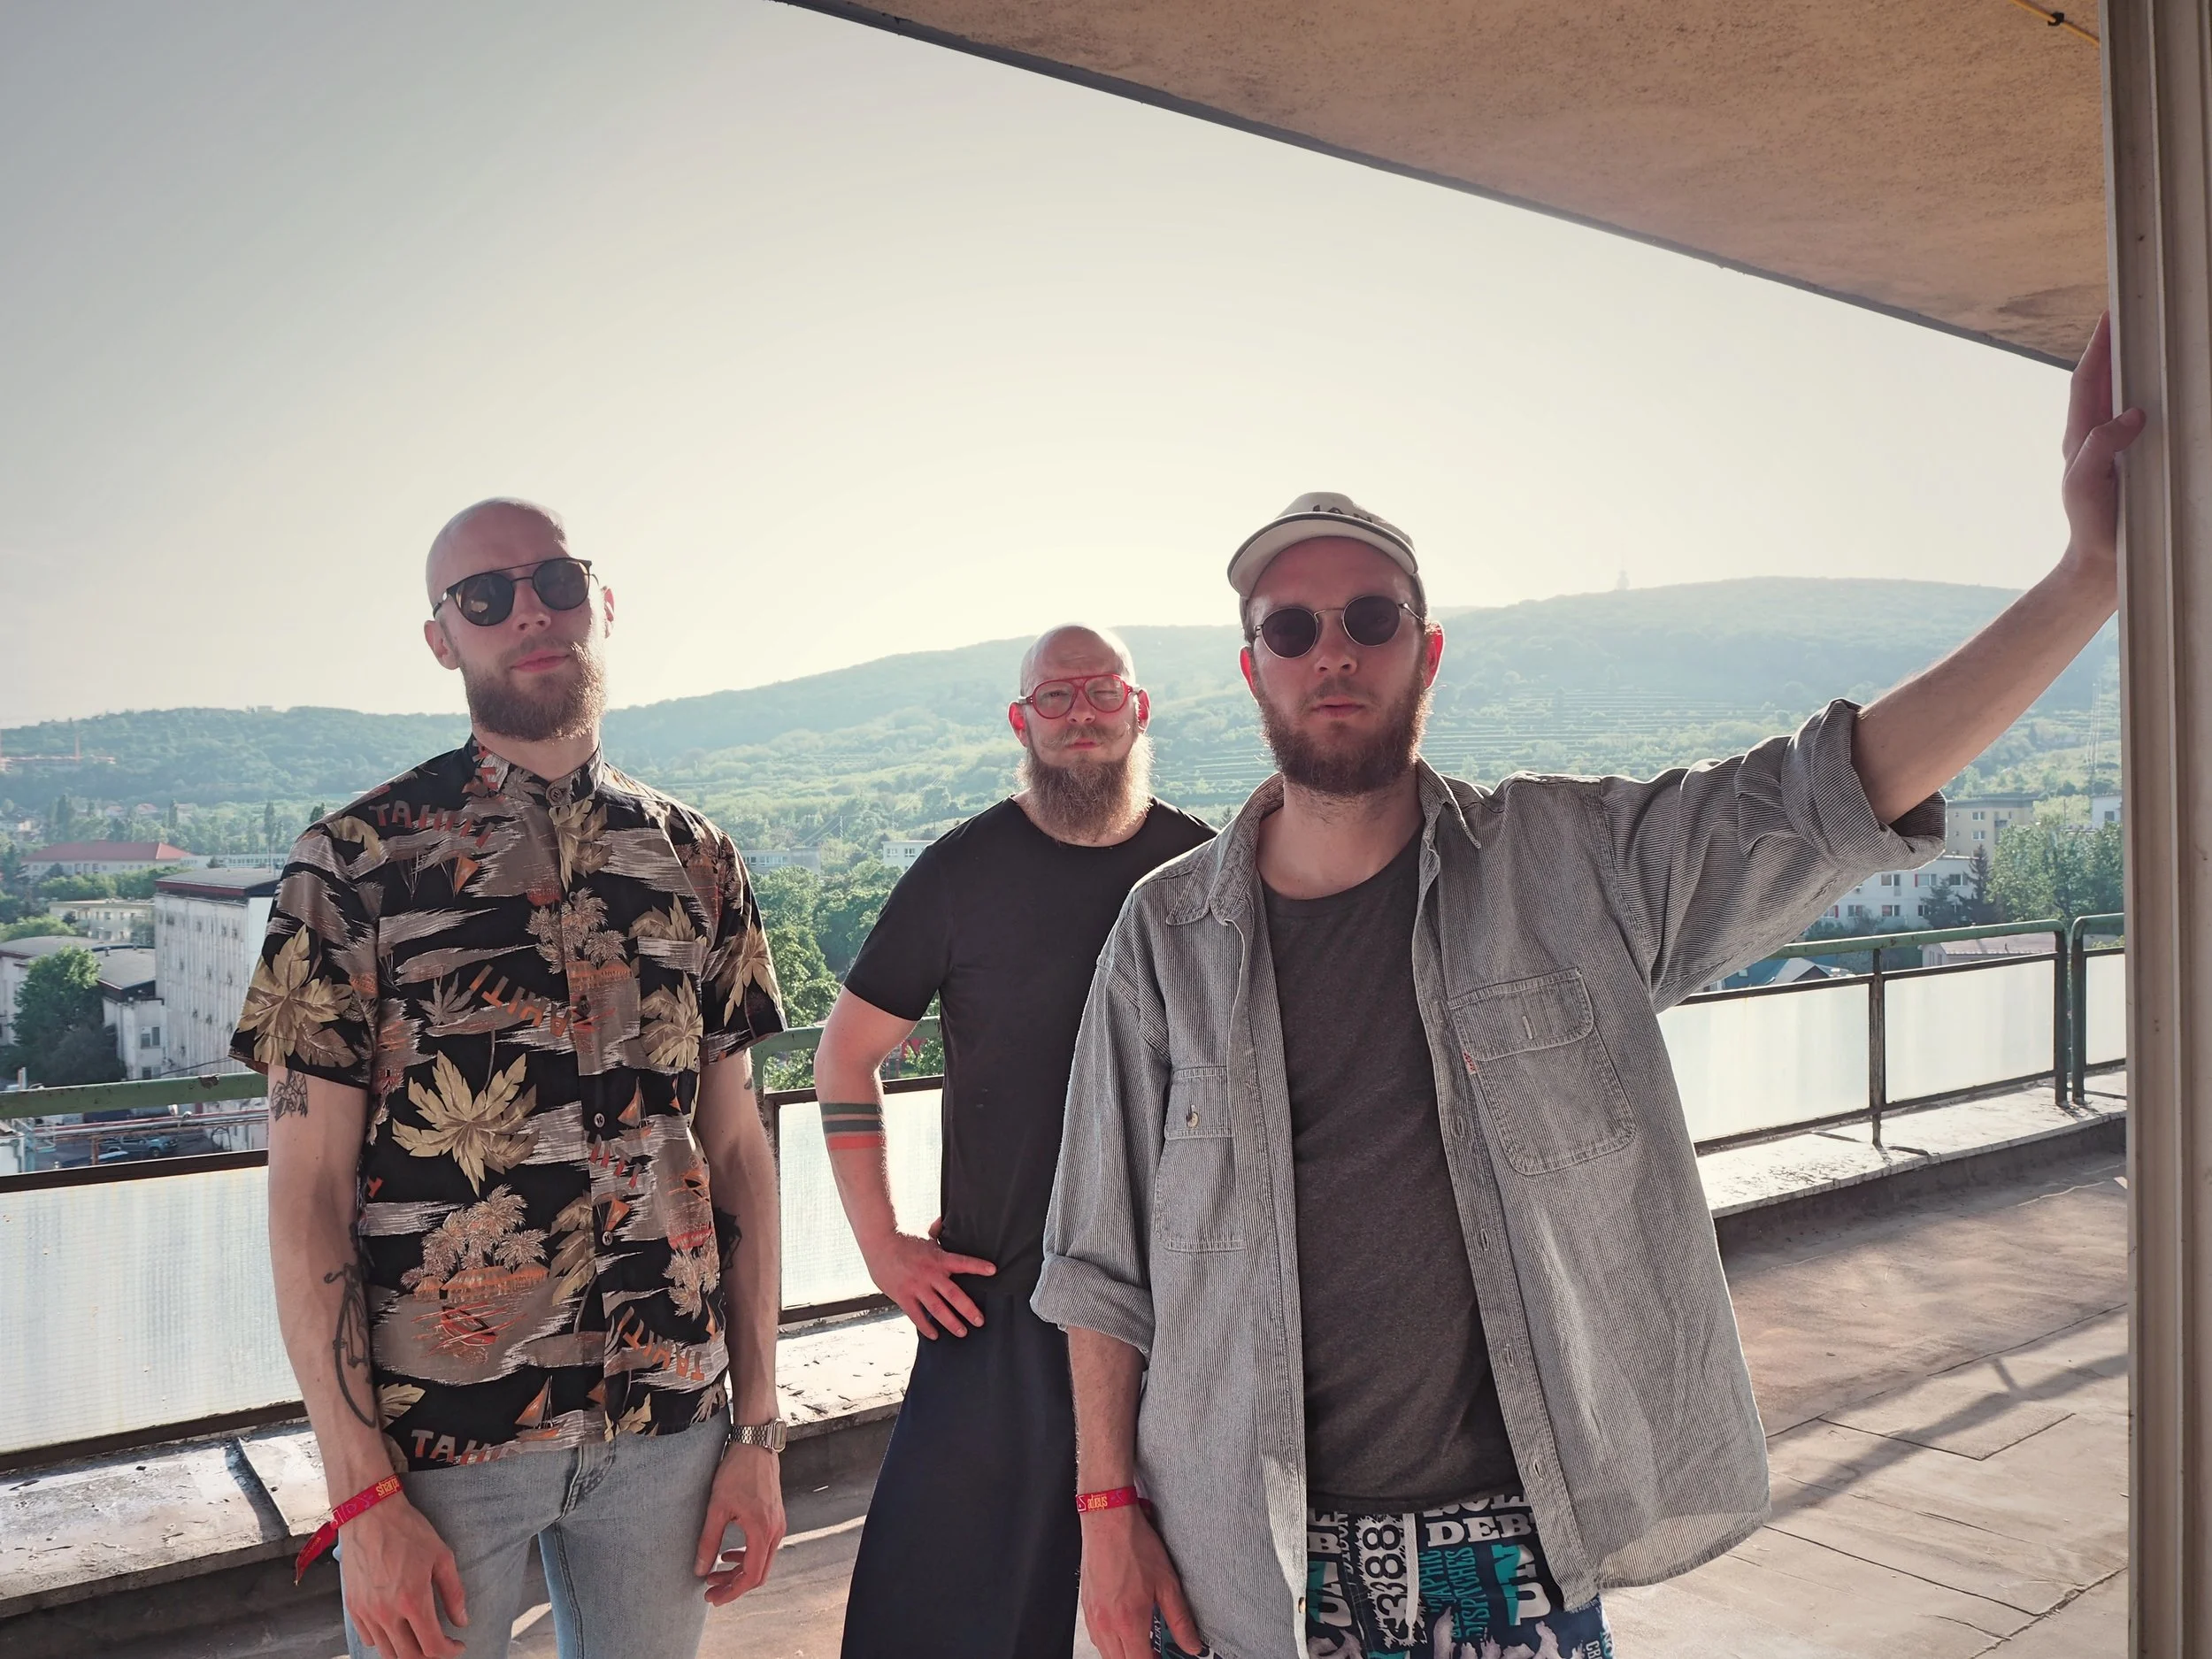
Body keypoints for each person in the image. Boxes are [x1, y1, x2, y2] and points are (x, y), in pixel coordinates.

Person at [1038, 319, 2145, 1659]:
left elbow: (1830, 792)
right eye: (1293, 625)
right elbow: (1098, 1264)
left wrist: (2089, 573)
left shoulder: (1565, 868)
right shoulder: (1163, 934)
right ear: (1253, 666)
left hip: (1508, 1549)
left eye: (1370, 617)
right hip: (1238, 1561)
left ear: (1425, 651)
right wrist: (1107, 1508)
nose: (1334, 648)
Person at [243, 499, 791, 1659]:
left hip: (672, 1423)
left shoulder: (698, 857)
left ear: (599, 598)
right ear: (442, 639)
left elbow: (738, 1148)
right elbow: (304, 1193)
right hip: (441, 1447)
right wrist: (360, 1496)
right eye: (483, 597)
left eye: (552, 580)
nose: (528, 611)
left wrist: (758, 1426)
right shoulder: (351, 863)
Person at [816, 625, 1216, 1659]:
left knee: (1173, 1613)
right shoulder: (961, 871)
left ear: (1139, 706)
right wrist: (883, 1248)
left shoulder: (1204, 870)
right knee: (945, 1620)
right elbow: (844, 1055)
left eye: (1100, 690)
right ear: (1021, 721)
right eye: (1055, 697)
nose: (1079, 712)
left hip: (1175, 1309)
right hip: (999, 1302)